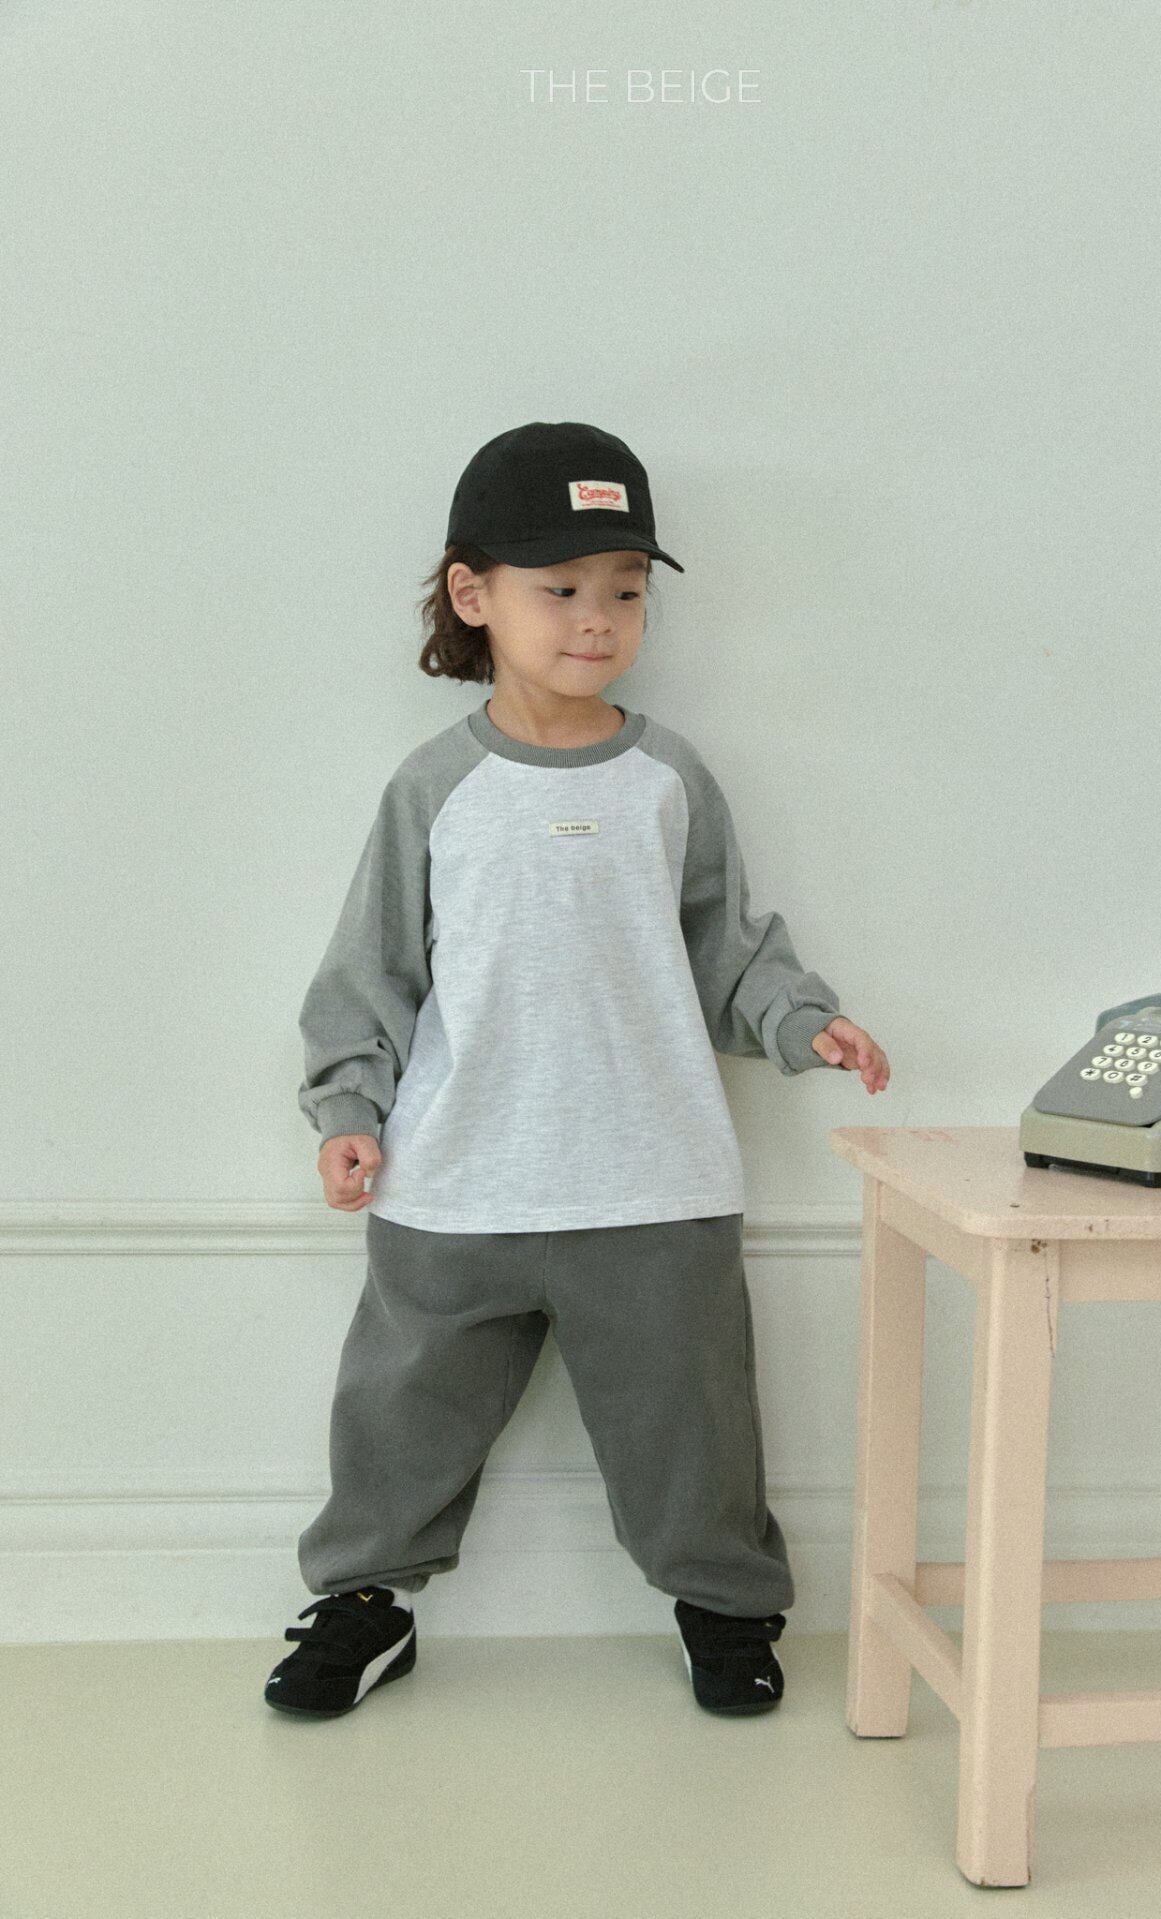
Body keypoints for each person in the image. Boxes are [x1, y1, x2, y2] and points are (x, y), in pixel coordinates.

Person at [264, 420, 891, 1720]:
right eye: (560, 589)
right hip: (456, 1182)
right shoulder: (434, 788)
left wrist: (800, 1020)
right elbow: (371, 971)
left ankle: (726, 1606)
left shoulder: (668, 780)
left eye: (625, 590)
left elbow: (725, 945)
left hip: (653, 1180)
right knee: (399, 1410)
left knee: (692, 1422)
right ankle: (365, 1604)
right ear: (473, 594)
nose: (596, 619)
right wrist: (347, 1109)